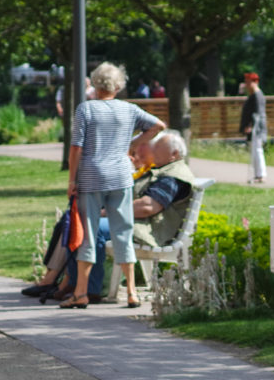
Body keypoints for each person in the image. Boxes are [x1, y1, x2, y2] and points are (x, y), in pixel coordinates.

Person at [24, 129, 195, 307]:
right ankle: (73, 284)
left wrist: (106, 212)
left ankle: (89, 289)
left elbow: (148, 207)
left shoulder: (173, 176)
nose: (152, 150)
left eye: (157, 147)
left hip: (148, 229)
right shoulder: (164, 170)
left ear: (174, 154)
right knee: (78, 219)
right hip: (137, 223)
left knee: (92, 228)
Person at [62, 62, 166, 309]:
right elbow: (158, 125)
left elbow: (76, 147)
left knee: (88, 233)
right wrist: (131, 144)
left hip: (91, 176)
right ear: (118, 86)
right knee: (123, 231)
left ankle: (81, 293)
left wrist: (71, 180)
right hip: (120, 176)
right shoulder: (129, 110)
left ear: (95, 84)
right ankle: (131, 292)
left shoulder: (86, 109)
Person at [239, 72, 267, 183]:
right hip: (253, 127)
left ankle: (261, 175)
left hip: (257, 128)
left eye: (248, 82)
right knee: (254, 151)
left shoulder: (258, 96)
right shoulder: (252, 95)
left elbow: (258, 114)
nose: (246, 85)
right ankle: (257, 175)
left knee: (258, 150)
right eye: (246, 82)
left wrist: (250, 126)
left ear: (255, 82)